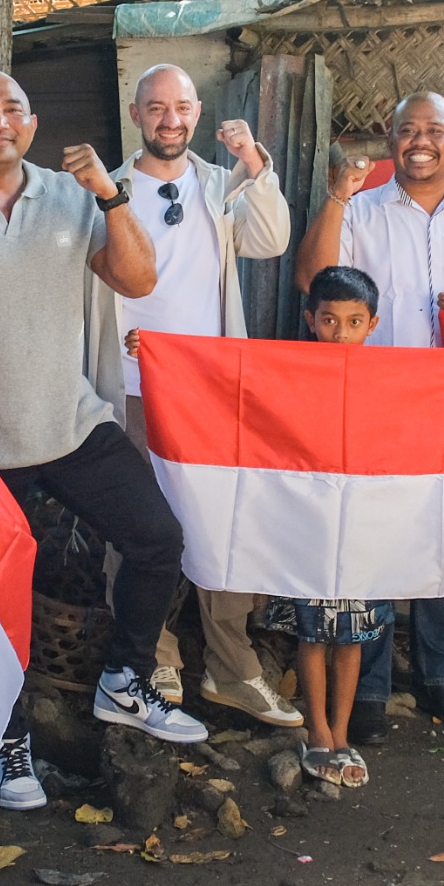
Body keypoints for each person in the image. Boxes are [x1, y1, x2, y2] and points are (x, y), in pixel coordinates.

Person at [0, 70, 210, 796]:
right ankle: (4, 743)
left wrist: (110, 196)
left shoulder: (73, 196)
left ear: (32, 126)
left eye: (11, 110)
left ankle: (126, 680)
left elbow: (136, 281)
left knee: (158, 538)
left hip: (70, 422)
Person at [293, 89, 444, 738]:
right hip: (374, 403)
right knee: (375, 539)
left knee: (442, 540)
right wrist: (338, 193)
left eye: (434, 130)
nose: (420, 140)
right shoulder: (359, 211)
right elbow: (313, 280)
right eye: (407, 129)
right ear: (391, 140)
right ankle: (367, 691)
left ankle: (440, 680)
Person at [92, 63, 301, 728]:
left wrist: (254, 163)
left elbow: (271, 242)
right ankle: (153, 658)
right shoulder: (106, 190)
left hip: (211, 389)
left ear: (199, 112)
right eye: (156, 107)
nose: (170, 118)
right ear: (136, 115)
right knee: (137, 528)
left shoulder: (218, 184)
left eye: (181, 106)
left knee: (225, 523)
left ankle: (230, 668)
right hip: (132, 389)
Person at [286, 265, 391, 787]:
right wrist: (155, 351)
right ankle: (318, 728)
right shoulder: (290, 373)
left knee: (353, 633)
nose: (341, 333)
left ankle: (343, 730)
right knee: (313, 629)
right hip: (311, 522)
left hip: (365, 525)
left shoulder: (389, 379)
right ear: (311, 320)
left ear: (373, 323)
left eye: (354, 321)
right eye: (329, 320)